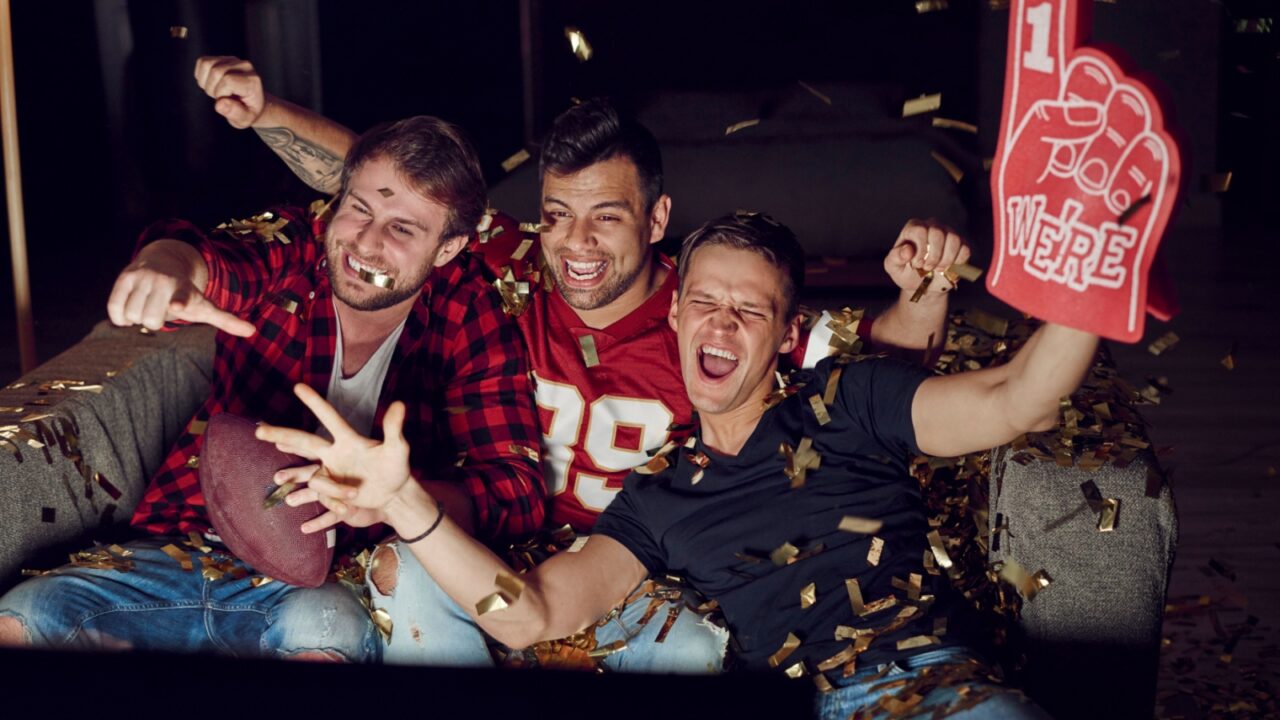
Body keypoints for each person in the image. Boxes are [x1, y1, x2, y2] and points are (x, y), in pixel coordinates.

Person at [191, 56, 971, 672]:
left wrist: (926, 289)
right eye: (560, 216)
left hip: (644, 568)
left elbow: (879, 362)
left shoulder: (708, 314)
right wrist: (266, 114)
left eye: (608, 217)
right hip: (500, 554)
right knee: (407, 571)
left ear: (658, 218)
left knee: (692, 648)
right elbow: (395, 190)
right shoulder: (516, 269)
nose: (579, 244)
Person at [259, 211, 1087, 716]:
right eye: (703, 303)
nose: (719, 326)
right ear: (676, 321)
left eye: (747, 310)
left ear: (787, 335)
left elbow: (1018, 400)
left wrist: (1092, 278)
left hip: (932, 691)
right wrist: (409, 507)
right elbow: (529, 613)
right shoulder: (659, 497)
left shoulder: (851, 400)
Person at [0, 116, 544, 661]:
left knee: (324, 638)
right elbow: (205, 256)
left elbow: (514, 491)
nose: (367, 243)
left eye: (403, 228)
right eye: (359, 208)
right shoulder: (296, 248)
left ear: (447, 249)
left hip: (325, 581)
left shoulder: (471, 313)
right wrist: (163, 268)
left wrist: (396, 499)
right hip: (183, 546)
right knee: (25, 616)